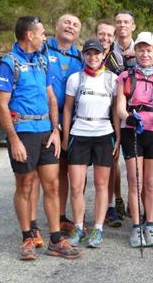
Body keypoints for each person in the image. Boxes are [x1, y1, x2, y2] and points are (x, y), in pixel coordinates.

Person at [0, 16, 81, 260]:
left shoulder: (42, 61)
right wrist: (13, 139)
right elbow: (2, 105)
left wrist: (55, 130)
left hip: (46, 131)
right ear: (29, 35)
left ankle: (55, 239)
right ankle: (28, 238)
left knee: (52, 185)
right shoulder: (8, 63)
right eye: (41, 33)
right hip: (23, 132)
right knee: (25, 185)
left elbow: (52, 98)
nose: (45, 37)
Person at [117, 31, 153, 247]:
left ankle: (149, 225)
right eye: (140, 49)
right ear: (136, 52)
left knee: (151, 182)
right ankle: (135, 227)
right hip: (132, 129)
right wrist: (128, 117)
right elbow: (120, 106)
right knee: (135, 181)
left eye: (148, 50)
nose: (144, 54)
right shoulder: (126, 76)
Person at [62, 39, 120, 248]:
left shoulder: (112, 79)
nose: (93, 57)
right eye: (89, 53)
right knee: (76, 186)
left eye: (97, 53)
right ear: (84, 55)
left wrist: (119, 137)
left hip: (104, 133)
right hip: (80, 133)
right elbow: (68, 109)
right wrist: (65, 136)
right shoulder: (75, 78)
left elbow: (115, 111)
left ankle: (98, 228)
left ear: (103, 55)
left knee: (101, 185)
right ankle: (78, 227)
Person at [41, 14, 83, 237]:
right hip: (44, 120)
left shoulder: (81, 57)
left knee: (65, 170)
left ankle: (60, 216)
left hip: (71, 122)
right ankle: (35, 224)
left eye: (75, 25)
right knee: (43, 174)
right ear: (56, 26)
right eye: (67, 22)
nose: (70, 27)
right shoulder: (43, 49)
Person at [95, 19, 125, 228]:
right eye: (101, 34)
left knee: (112, 162)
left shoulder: (118, 60)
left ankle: (113, 204)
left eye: (109, 35)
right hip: (88, 118)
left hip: (111, 117)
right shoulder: (86, 55)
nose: (105, 38)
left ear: (113, 39)